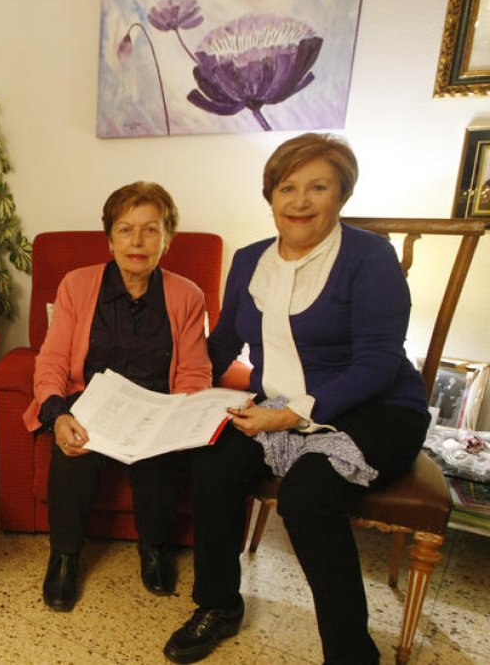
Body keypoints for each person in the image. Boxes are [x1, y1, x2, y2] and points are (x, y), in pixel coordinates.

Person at [162, 134, 429, 665]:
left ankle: (351, 652)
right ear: (271, 196)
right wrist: (186, 393)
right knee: (213, 463)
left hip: (375, 410)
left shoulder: (370, 256)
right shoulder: (249, 260)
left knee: (307, 496)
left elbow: (378, 362)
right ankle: (218, 605)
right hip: (277, 406)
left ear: (341, 196)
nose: (300, 201)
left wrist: (289, 414)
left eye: (318, 187)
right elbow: (223, 343)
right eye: (288, 187)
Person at [23, 182, 211, 611]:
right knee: (71, 447)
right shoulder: (77, 285)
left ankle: (155, 548)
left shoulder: (188, 296)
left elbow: (195, 373)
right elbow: (51, 359)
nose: (138, 241)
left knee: (160, 457)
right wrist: (56, 413)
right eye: (126, 230)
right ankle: (65, 556)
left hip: (155, 407)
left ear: (167, 238)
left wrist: (176, 415)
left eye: (150, 230)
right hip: (89, 402)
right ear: (109, 239)